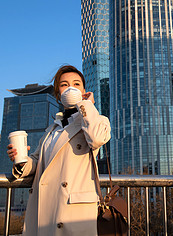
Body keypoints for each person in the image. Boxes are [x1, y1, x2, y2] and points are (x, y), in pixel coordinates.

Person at [7, 65, 110, 235]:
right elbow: (37, 161)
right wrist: (21, 160)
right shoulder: (52, 130)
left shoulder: (96, 120)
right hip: (47, 205)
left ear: (84, 90)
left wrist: (86, 105)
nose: (70, 88)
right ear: (57, 94)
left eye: (76, 84)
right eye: (64, 85)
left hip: (74, 210)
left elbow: (97, 138)